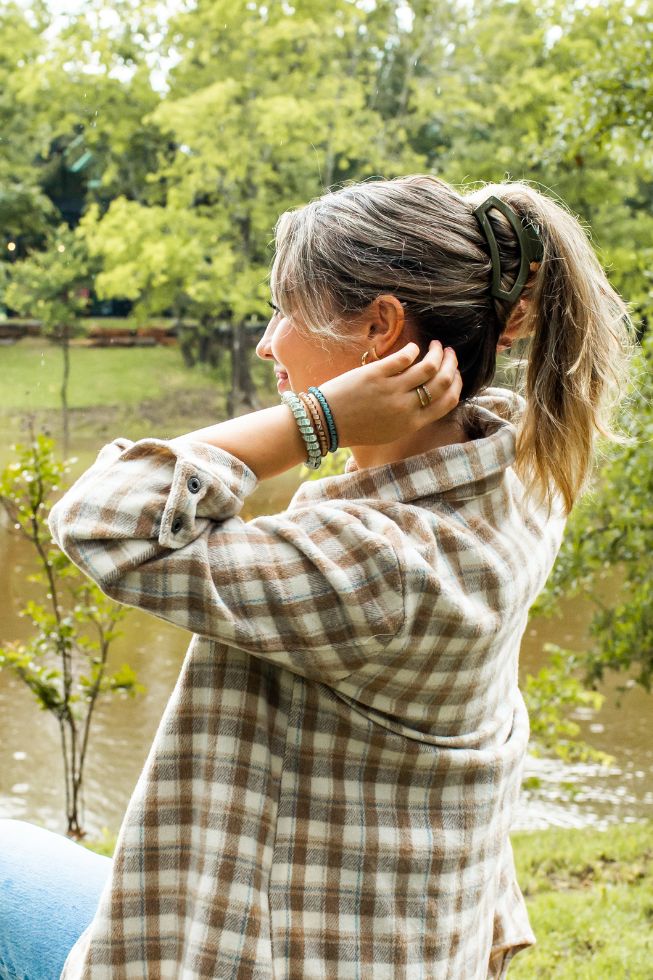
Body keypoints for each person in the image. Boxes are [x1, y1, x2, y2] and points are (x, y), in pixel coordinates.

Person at [0, 174, 632, 979]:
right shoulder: (517, 474)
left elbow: (99, 521)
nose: (267, 343)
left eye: (285, 311)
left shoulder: (380, 565)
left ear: (379, 328)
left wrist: (318, 420)